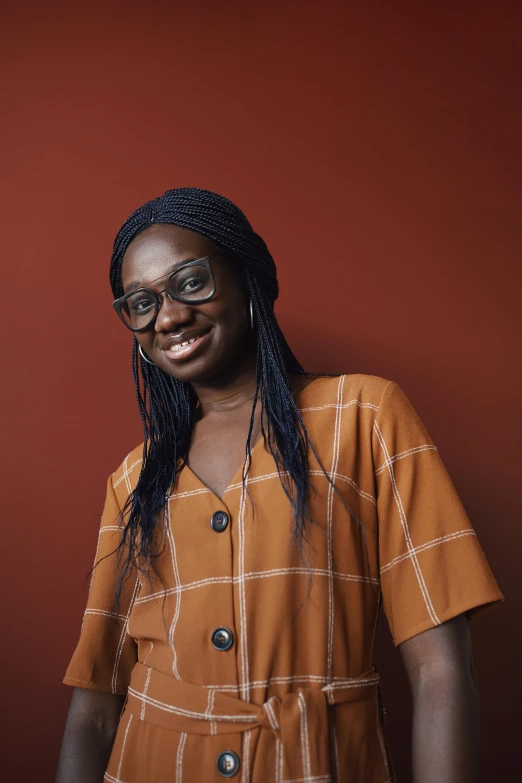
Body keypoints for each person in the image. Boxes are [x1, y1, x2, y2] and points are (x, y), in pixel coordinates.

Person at [55, 188, 504, 783]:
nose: (167, 317)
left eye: (191, 282)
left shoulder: (366, 416)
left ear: (249, 279)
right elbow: (95, 706)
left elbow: (440, 671)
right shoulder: (136, 479)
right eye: (141, 303)